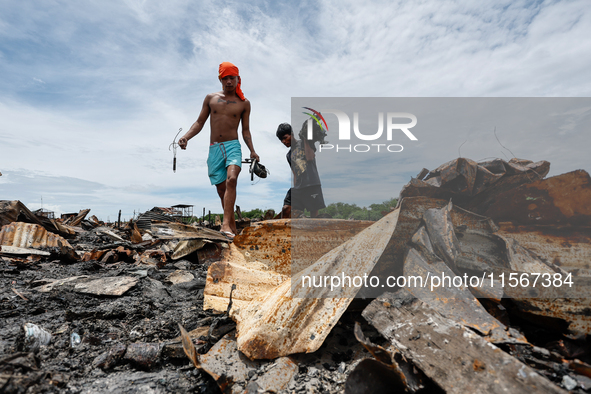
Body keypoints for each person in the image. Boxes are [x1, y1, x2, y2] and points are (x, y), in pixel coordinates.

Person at [179, 62, 259, 239]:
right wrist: (186, 137)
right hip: (214, 149)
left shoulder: (244, 103)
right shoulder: (211, 98)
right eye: (225, 78)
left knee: (232, 179)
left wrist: (252, 151)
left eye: (232, 78)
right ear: (220, 79)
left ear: (238, 79)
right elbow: (199, 122)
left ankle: (225, 225)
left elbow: (245, 130)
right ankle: (232, 228)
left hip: (233, 146)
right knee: (222, 191)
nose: (229, 81)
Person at [276, 122, 326, 218]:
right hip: (299, 188)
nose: (283, 141)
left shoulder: (305, 142)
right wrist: (296, 187)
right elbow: (294, 173)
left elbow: (310, 157)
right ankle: (285, 231)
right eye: (281, 140)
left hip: (312, 185)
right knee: (286, 208)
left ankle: (313, 232)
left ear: (292, 134)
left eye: (285, 137)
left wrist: (305, 138)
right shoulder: (288, 155)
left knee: (313, 216)